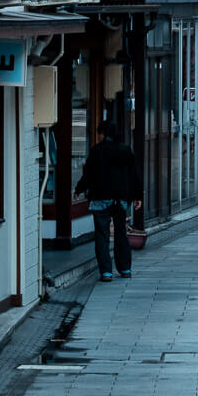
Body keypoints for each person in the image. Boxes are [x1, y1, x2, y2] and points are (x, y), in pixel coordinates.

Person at [75, 120, 142, 282]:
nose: (98, 136)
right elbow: (134, 175)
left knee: (102, 235)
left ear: (103, 134)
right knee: (121, 232)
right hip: (120, 198)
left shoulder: (97, 151)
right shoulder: (126, 151)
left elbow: (88, 174)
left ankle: (106, 272)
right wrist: (137, 196)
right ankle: (125, 269)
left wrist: (79, 189)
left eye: (99, 133)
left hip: (100, 197)